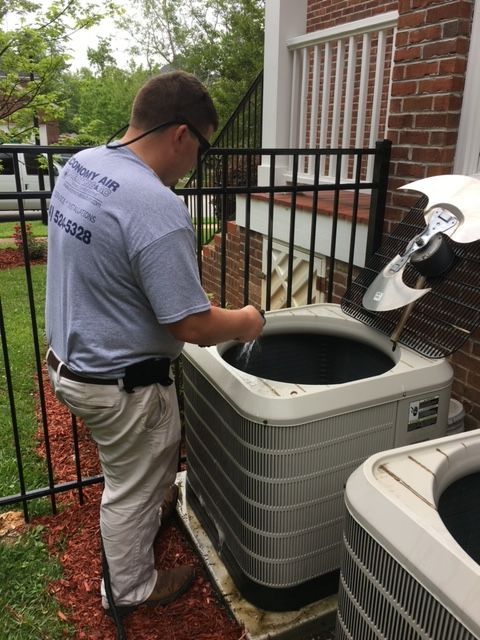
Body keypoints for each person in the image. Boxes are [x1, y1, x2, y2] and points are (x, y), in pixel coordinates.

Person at [45, 70, 264, 619]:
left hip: (72, 362)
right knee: (131, 489)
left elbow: (112, 269)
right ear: (181, 135)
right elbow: (190, 325)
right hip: (122, 386)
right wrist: (244, 319)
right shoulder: (156, 206)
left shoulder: (82, 166)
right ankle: (130, 588)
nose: (197, 164)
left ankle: (145, 509)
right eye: (204, 149)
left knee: (132, 475)